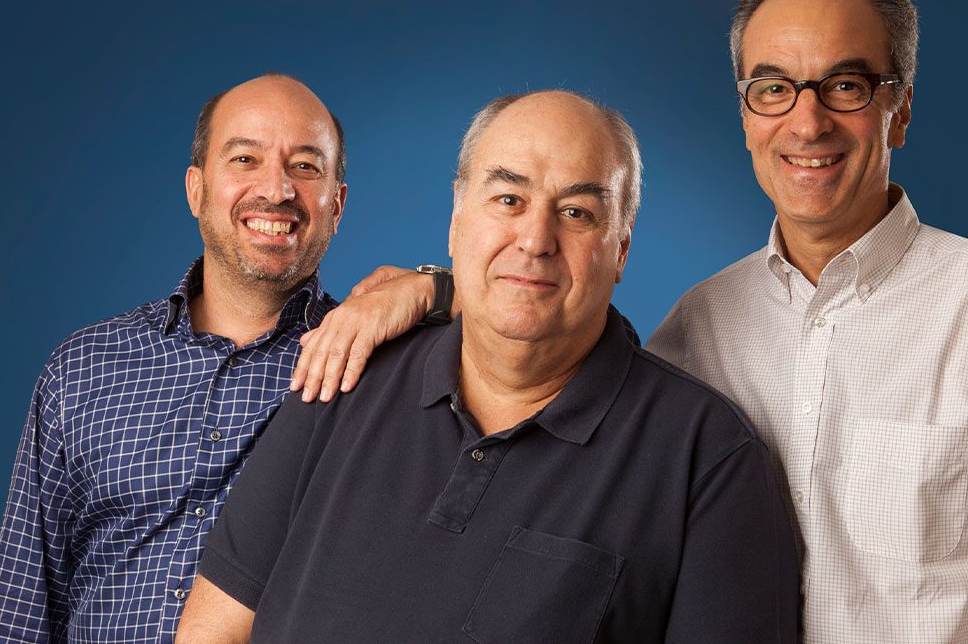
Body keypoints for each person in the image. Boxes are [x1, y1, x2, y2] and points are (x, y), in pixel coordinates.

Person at [290, 0, 968, 643]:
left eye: (845, 86)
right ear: (745, 113)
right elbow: (554, 327)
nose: (807, 124)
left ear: (898, 110)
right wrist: (436, 292)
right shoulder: (699, 324)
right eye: (774, 88)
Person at [175, 90, 799, 643]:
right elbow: (214, 630)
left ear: (622, 250)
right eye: (507, 198)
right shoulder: (341, 376)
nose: (534, 239)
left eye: (577, 212)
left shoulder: (707, 457)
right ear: (456, 220)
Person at [0, 74, 351, 643]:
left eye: (305, 166)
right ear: (196, 189)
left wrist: (427, 288)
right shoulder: (82, 369)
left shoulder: (376, 371)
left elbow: (518, 315)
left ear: (336, 202)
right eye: (245, 158)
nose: (277, 189)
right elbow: (18, 614)